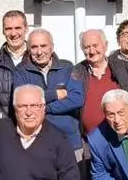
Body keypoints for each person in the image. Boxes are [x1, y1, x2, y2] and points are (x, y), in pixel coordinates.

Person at [12, 28, 85, 158]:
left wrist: (44, 107)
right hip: (37, 143)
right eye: (34, 47)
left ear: (52, 47)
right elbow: (23, 101)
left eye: (43, 46)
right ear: (28, 49)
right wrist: (55, 94)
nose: (39, 52)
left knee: (75, 178)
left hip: (70, 141)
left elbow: (77, 99)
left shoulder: (67, 67)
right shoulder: (21, 72)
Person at [76, 29, 128, 138]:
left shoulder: (126, 69)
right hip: (89, 141)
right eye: (87, 47)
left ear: (105, 45)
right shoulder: (76, 72)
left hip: (123, 137)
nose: (92, 51)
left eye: (95, 45)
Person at [0, 10, 30, 118]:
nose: (13, 33)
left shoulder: (37, 58)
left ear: (26, 29)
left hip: (32, 124)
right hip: (2, 124)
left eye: (18, 28)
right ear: (3, 31)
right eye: (8, 29)